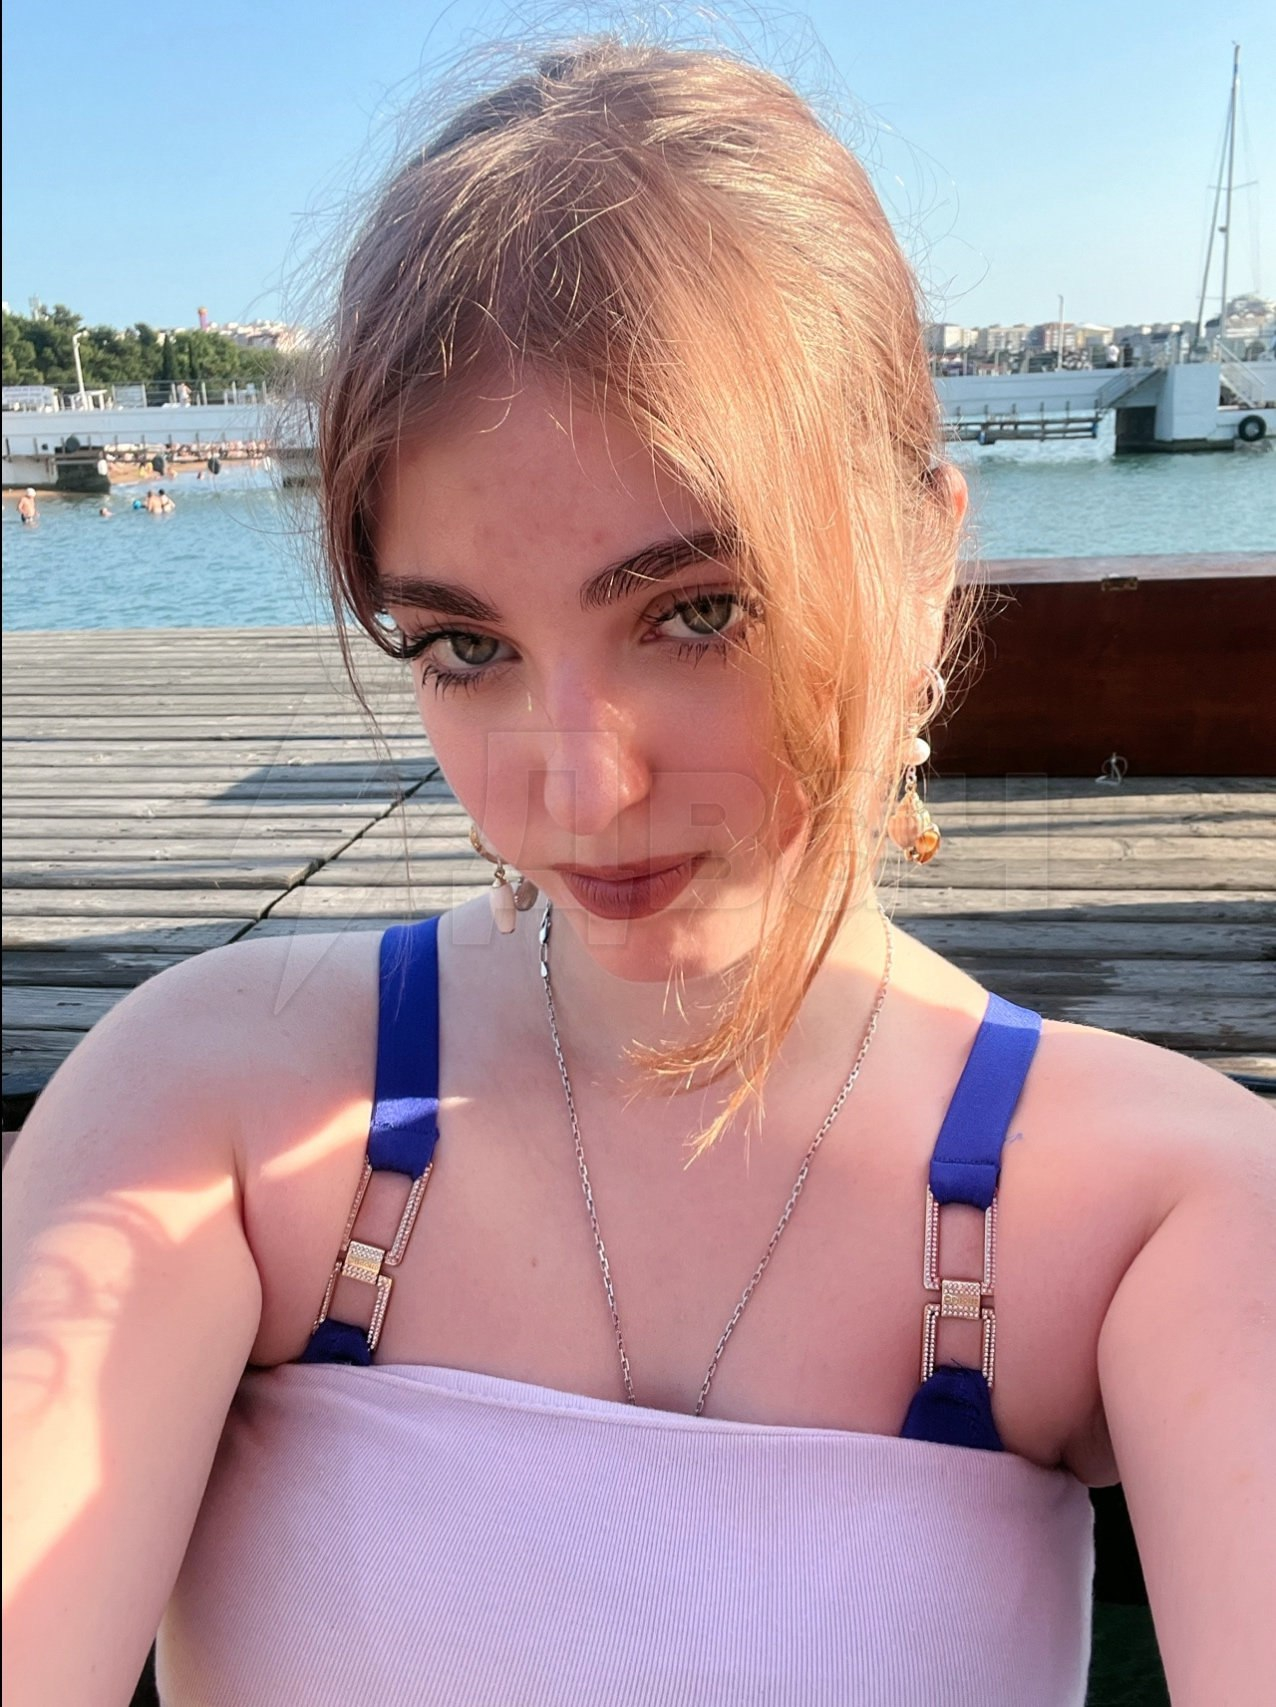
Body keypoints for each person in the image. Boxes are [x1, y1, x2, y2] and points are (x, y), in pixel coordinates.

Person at [4, 36, 1273, 1707]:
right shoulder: (206, 1112)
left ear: (921, 565)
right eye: (465, 645)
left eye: (697, 611)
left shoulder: (1166, 1210)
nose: (580, 787)